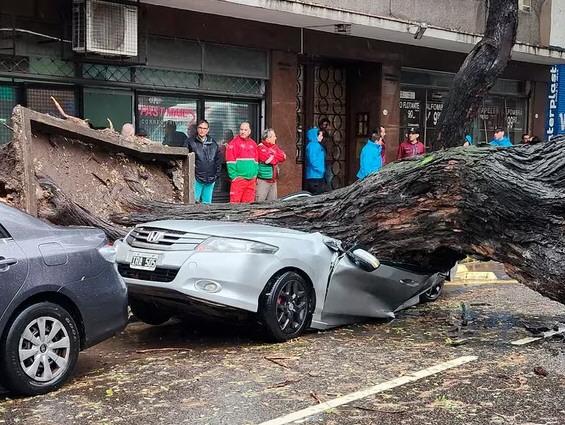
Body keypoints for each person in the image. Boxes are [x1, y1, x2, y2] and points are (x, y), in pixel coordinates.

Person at [185, 119, 222, 204]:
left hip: (211, 178)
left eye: (205, 128)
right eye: (200, 128)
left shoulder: (213, 143)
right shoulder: (190, 142)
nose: (202, 130)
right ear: (197, 129)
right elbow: (185, 160)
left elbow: (218, 160)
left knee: (207, 204)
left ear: (208, 130)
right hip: (196, 178)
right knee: (193, 203)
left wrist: (216, 175)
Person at [226, 121, 258, 203]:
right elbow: (230, 162)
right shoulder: (233, 144)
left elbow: (256, 162)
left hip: (251, 180)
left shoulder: (253, 144)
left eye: (245, 130)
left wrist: (254, 175)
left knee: (248, 206)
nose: (243, 131)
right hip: (239, 180)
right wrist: (235, 178)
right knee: (235, 206)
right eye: (241, 129)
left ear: (249, 131)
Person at [256, 128, 287, 201]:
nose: (276, 138)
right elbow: (268, 160)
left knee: (273, 204)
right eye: (274, 136)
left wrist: (273, 155)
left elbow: (283, 157)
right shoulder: (260, 147)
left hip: (273, 180)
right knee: (259, 204)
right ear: (268, 138)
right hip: (263, 180)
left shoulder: (274, 146)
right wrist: (275, 156)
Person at [304, 127, 326, 194]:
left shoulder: (313, 145)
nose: (322, 137)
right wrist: (321, 169)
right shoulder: (314, 145)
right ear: (315, 136)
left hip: (315, 175)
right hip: (315, 175)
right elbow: (313, 161)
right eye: (320, 135)